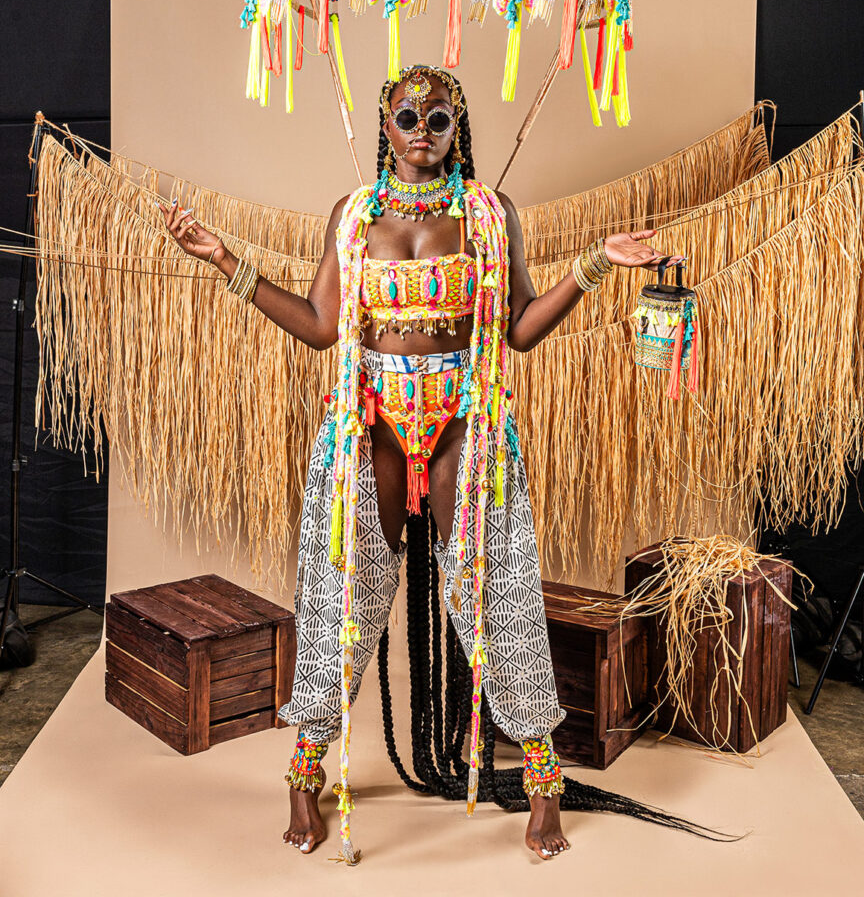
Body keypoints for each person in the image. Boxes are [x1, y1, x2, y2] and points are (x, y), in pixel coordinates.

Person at [158, 64, 683, 864]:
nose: (422, 134)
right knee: (343, 591)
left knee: (496, 584)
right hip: (368, 419)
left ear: (455, 129)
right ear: (386, 126)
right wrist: (221, 259)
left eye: (439, 120)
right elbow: (321, 325)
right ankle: (306, 771)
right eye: (408, 118)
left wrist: (598, 262)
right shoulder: (353, 215)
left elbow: (520, 329)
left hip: (464, 416)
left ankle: (542, 781)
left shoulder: (487, 213)